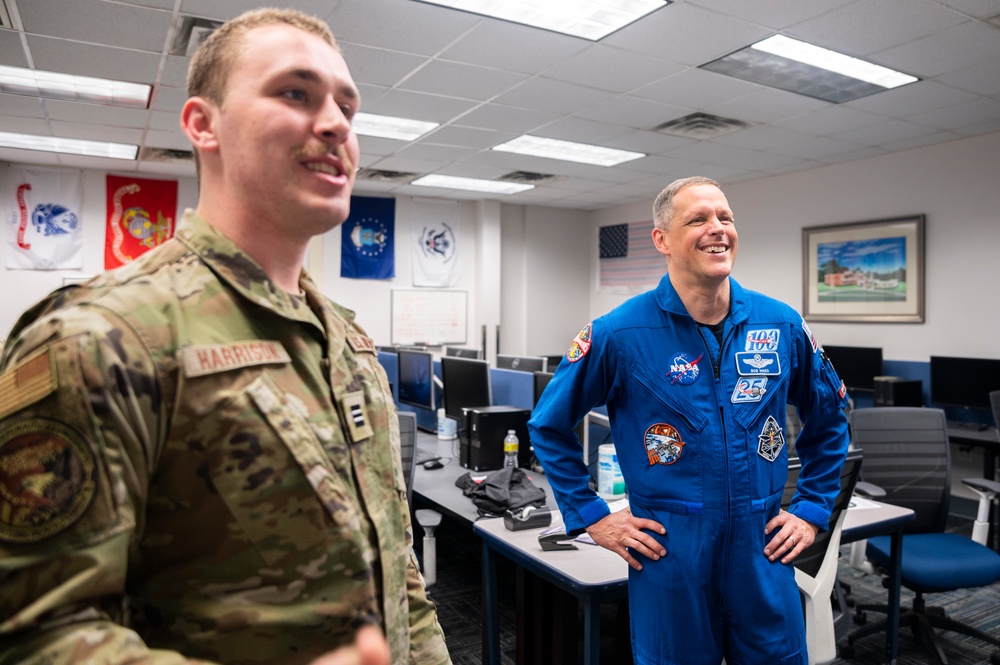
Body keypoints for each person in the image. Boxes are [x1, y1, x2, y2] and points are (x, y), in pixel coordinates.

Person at [0, 9, 450, 665]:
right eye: (295, 93)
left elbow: (397, 565)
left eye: (347, 108)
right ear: (201, 124)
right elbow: (33, 634)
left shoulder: (347, 343)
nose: (335, 125)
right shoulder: (98, 336)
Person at [529, 176, 850, 665]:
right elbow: (549, 425)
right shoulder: (620, 333)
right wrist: (593, 517)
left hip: (761, 551)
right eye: (697, 219)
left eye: (725, 217)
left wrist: (810, 509)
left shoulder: (780, 323)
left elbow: (830, 420)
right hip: (670, 554)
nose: (716, 228)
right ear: (662, 240)